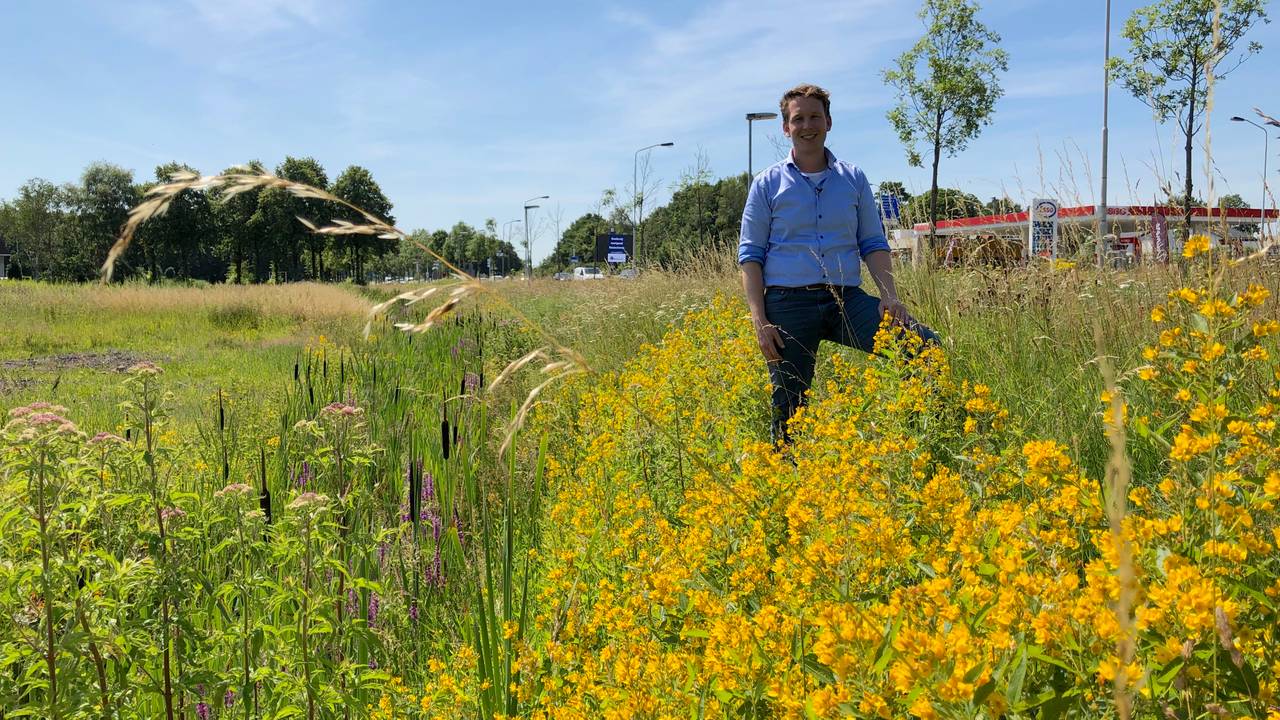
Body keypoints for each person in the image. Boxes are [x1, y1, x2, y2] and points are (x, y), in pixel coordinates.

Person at [738, 83, 939, 445]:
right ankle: (786, 473)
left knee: (923, 347)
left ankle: (912, 443)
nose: (807, 125)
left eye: (815, 116)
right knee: (790, 404)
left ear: (829, 122)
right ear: (786, 128)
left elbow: (873, 243)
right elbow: (750, 256)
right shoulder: (766, 184)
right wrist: (760, 321)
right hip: (787, 305)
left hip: (845, 300)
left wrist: (890, 296)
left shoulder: (853, 179)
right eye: (798, 119)